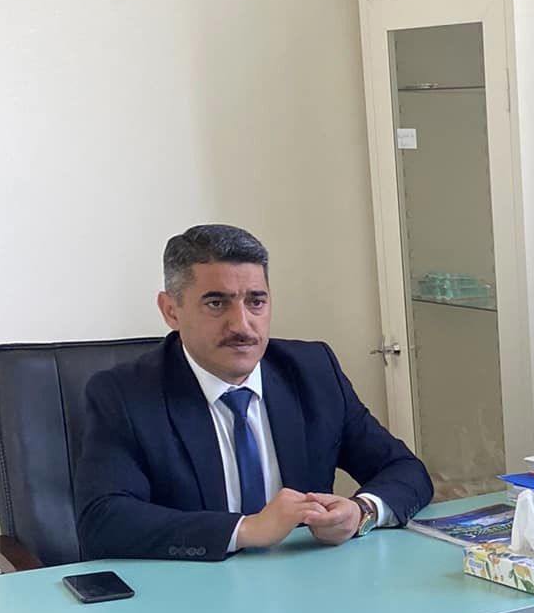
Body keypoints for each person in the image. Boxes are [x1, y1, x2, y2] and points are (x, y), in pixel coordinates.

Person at [76, 224, 432, 560]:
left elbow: (405, 470)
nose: (242, 324)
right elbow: (104, 520)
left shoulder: (313, 372)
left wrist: (361, 511)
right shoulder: (124, 394)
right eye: (217, 303)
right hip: (192, 589)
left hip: (306, 583)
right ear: (171, 311)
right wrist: (245, 529)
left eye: (256, 301)